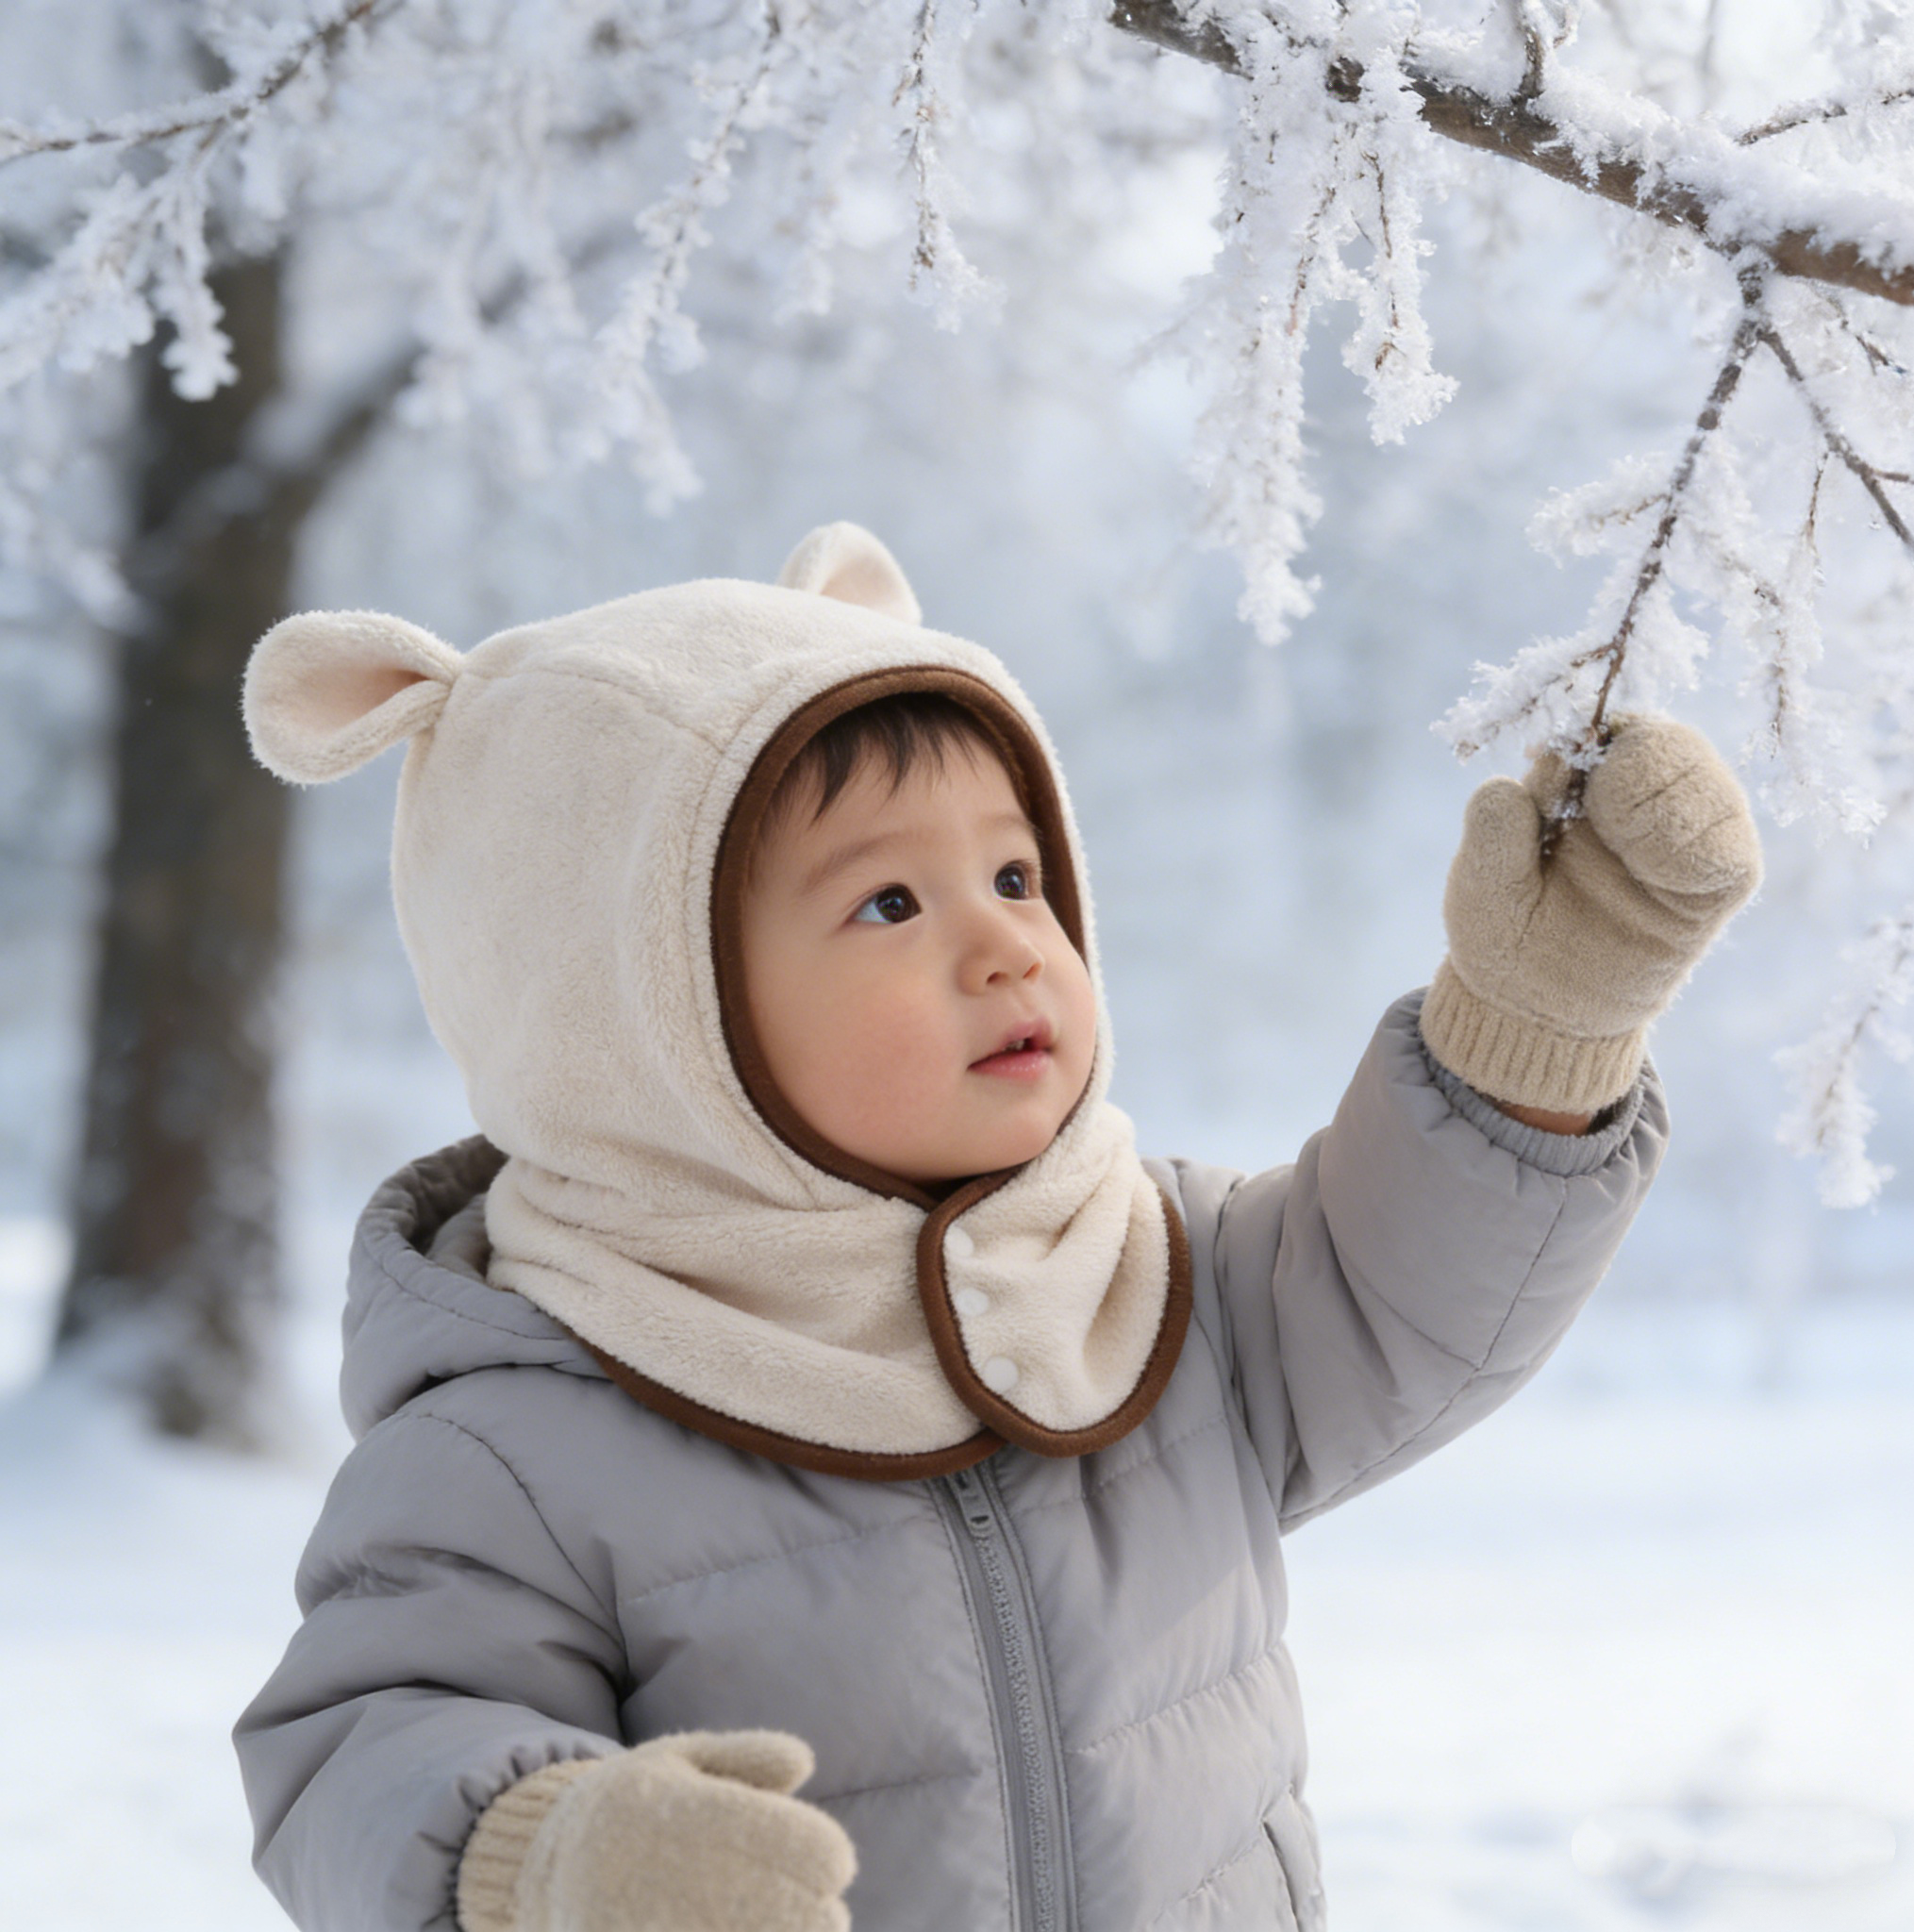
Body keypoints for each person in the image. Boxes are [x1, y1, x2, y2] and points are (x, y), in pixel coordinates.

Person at [233, 522, 1759, 1932]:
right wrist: (547, 1853)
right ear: (639, 1019)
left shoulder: (1135, 1279)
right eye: (889, 905)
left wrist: (1535, 1028)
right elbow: (365, 1742)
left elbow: (1396, 1299)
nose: (1005, 946)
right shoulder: (522, 1439)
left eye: (1018, 874)